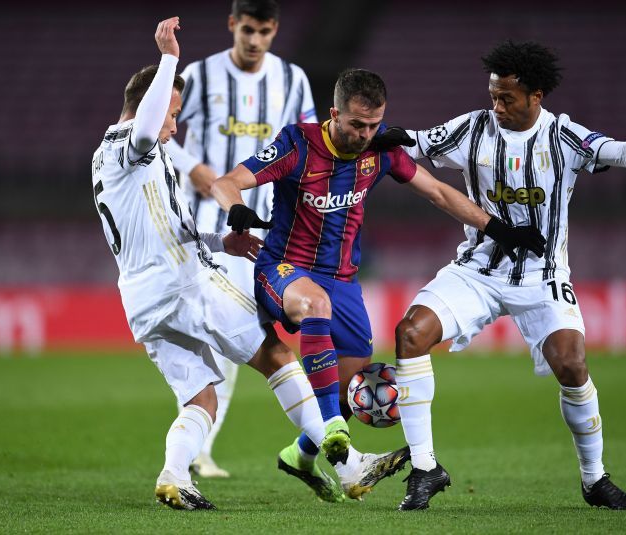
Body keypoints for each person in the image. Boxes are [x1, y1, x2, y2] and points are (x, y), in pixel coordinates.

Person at [211, 68, 545, 501]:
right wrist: (235, 207)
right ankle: (335, 434)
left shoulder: (382, 147)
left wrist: (499, 229)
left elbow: (438, 193)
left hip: (344, 283)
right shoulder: (298, 143)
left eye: (374, 124)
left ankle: (301, 454)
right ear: (334, 114)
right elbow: (226, 182)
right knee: (315, 312)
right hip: (284, 269)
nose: (367, 134)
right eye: (357, 125)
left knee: (350, 390)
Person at [383, 40, 626, 510]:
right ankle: (425, 468)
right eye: (493, 95)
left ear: (537, 96)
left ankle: (594, 479)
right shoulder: (473, 126)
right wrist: (378, 131)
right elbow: (415, 140)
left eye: (507, 98)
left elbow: (622, 154)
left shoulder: (563, 138)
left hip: (542, 277)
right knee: (409, 334)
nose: (498, 106)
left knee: (572, 365)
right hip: (478, 270)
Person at [91, 17, 331, 510]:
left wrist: (221, 242)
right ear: (145, 110)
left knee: (202, 398)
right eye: (171, 115)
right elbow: (146, 122)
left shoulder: (121, 161)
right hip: (182, 285)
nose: (175, 127)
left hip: (143, 302)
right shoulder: (129, 148)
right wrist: (169, 58)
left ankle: (174, 476)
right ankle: (348, 462)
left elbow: (170, 227)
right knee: (276, 354)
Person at [164, 0, 318, 478]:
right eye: (247, 30)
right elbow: (159, 131)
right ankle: (199, 446)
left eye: (265, 32)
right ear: (233, 25)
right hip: (216, 224)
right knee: (236, 328)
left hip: (273, 223)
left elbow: (310, 144)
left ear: (275, 31)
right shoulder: (201, 75)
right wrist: (201, 172)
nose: (255, 40)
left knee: (249, 332)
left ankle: (198, 445)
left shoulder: (293, 80)